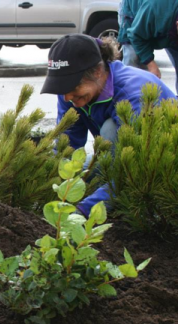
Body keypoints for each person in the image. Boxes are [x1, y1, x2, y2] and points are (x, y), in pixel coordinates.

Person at [41, 33, 176, 217]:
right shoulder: (71, 93)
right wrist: (48, 187)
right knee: (82, 170)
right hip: (121, 155)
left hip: (164, 162)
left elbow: (135, 170)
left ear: (97, 71)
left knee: (110, 131)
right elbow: (67, 147)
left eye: (72, 87)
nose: (66, 97)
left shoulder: (134, 94)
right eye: (61, 87)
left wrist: (83, 211)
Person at [118, 0, 178, 93]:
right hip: (134, 14)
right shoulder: (156, 10)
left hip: (167, 24)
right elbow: (136, 36)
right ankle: (126, 100)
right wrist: (151, 64)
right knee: (133, 59)